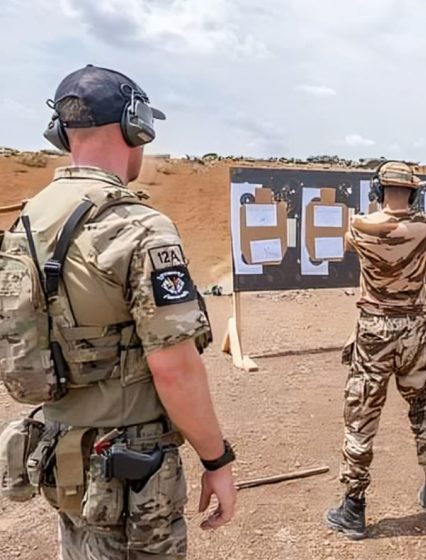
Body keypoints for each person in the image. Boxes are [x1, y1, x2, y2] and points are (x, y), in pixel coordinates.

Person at [0, 65, 235, 559]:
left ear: (61, 132)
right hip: (131, 469)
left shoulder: (29, 218)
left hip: (59, 451)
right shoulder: (139, 227)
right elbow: (174, 369)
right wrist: (217, 460)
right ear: (135, 126)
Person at [325, 161, 426, 539]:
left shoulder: (361, 226)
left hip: (375, 330)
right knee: (423, 411)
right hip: (414, 328)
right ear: (414, 191)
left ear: (378, 191)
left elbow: (352, 240)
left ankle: (354, 507)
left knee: (362, 418)